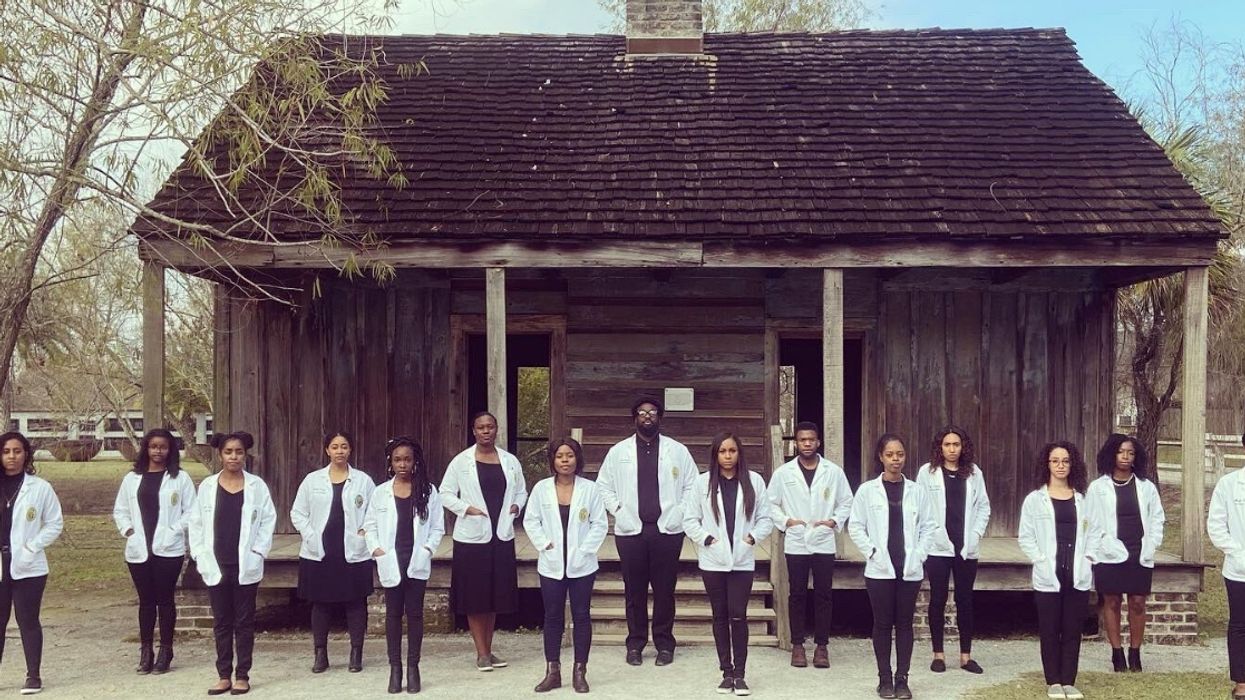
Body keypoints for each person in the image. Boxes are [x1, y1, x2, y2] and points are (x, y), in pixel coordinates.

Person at [595, 396, 698, 666]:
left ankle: (665, 644)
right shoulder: (619, 452)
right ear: (634, 418)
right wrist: (618, 510)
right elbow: (603, 485)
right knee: (634, 590)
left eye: (652, 412)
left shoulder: (677, 450)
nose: (647, 416)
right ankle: (635, 644)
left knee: (665, 590)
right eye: (642, 413)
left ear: (660, 417)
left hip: (667, 531)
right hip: (631, 532)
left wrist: (680, 511)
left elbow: (692, 485)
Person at [683, 432, 772, 696]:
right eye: (722, 451)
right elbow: (690, 520)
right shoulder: (703, 484)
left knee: (738, 615)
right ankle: (726, 672)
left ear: (739, 453)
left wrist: (751, 538)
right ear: (715, 454)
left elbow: (765, 518)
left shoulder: (754, 481)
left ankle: (741, 675)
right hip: (713, 560)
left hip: (742, 560)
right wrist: (708, 539)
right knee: (719, 615)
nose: (728, 456)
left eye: (732, 451)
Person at [188, 431, 277, 696]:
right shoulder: (207, 486)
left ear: (245, 454)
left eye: (238, 452)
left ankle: (243, 675)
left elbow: (267, 520)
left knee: (244, 621)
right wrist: (200, 554)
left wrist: (258, 552)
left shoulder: (256, 486)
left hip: (245, 564)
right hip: (216, 563)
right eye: (229, 452)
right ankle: (223, 675)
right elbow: (195, 523)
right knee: (222, 622)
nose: (234, 457)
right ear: (220, 455)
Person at [848, 433, 935, 700]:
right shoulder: (867, 490)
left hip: (908, 568)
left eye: (900, 454)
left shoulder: (917, 491)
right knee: (883, 624)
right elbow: (855, 526)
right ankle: (884, 678)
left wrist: (919, 554)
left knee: (905, 624)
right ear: (881, 457)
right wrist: (872, 551)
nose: (895, 460)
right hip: (880, 569)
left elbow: (929, 526)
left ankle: (903, 679)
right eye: (890, 455)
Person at [439, 412, 528, 672]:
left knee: (494, 595)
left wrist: (515, 506)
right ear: (474, 431)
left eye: (490, 427)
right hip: (472, 539)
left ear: (496, 430)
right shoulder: (461, 462)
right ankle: (481, 653)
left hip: (500, 536)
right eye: (481, 427)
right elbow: (444, 493)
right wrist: (467, 509)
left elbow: (522, 490)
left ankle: (489, 650)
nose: (486, 431)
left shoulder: (510, 461)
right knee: (475, 596)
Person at [524, 438, 607, 694]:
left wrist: (584, 550)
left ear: (577, 459)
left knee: (581, 616)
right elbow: (531, 520)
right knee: (552, 617)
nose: (564, 460)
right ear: (552, 460)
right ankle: (553, 671)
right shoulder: (541, 489)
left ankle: (580, 671)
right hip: (551, 563)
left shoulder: (590, 489)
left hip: (582, 564)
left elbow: (599, 523)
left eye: (569, 455)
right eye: (559, 456)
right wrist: (545, 545)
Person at [112, 428, 197, 675]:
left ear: (170, 450)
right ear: (146, 448)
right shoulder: (132, 478)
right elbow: (120, 510)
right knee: (146, 602)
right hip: (139, 549)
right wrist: (128, 530)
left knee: (165, 600)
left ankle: (166, 650)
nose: (158, 451)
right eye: (153, 446)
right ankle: (145, 650)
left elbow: (192, 511)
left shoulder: (179, 478)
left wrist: (174, 530)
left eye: (163, 447)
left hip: (168, 549)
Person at [291, 431, 377, 673]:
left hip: (352, 550)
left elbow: (374, 513)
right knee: (321, 603)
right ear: (327, 450)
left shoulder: (363, 481)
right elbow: (297, 512)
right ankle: (320, 654)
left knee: (356, 602)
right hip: (320, 550)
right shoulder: (312, 480)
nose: (340, 451)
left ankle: (356, 653)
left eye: (344, 446)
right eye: (335, 446)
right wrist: (309, 535)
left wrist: (363, 535)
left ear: (350, 450)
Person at [768, 421, 853, 669]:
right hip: (796, 540)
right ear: (796, 442)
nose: (807, 443)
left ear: (818, 442)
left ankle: (822, 647)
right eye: (802, 439)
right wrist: (786, 521)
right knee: (797, 594)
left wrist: (834, 521)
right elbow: (770, 504)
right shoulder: (784, 473)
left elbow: (846, 501)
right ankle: (797, 645)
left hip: (823, 540)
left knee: (824, 594)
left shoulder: (833, 471)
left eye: (811, 439)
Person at [364, 437, 445, 694]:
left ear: (415, 461)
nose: (402, 464)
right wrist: (377, 550)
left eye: (407, 459)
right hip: (391, 560)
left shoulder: (428, 491)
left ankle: (413, 667)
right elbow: (370, 525)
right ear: (390, 462)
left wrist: (427, 549)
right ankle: (395, 668)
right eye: (397, 459)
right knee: (392, 615)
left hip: (416, 560)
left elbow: (437, 527)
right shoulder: (380, 492)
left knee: (416, 614)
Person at [1018, 441, 1092, 700]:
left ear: (1073, 465)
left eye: (1065, 461)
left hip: (1077, 571)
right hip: (1048, 573)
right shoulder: (1035, 500)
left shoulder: (1084, 500)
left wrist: (1090, 557)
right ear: (1046, 464)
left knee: (1072, 628)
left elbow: (1095, 533)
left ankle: (1069, 681)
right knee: (1050, 628)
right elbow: (1025, 537)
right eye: (1055, 461)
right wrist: (1039, 558)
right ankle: (1053, 681)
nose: (1061, 466)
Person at [1085, 434, 1164, 672]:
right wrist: (1094, 549)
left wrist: (1153, 542)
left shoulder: (1146, 486)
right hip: (1109, 550)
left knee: (1138, 602)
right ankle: (1117, 653)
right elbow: (1089, 520)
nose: (1126, 457)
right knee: (1112, 600)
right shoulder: (1098, 488)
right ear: (1112, 454)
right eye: (1121, 452)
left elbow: (1158, 517)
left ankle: (1136, 653)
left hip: (1138, 549)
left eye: (1130, 452)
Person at [915, 425, 990, 674]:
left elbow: (983, 507)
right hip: (938, 547)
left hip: (966, 547)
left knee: (965, 599)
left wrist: (976, 534)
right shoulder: (927, 473)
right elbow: (920, 508)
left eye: (956, 445)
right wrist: (933, 536)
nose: (951, 449)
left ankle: (966, 657)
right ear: (940, 447)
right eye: (947, 445)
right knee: (937, 599)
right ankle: (938, 655)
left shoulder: (974, 473)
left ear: (963, 447)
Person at [0, 431, 64, 695]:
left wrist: (31, 546)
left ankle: (33, 676)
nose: (11, 457)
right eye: (6, 451)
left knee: (28, 620)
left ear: (26, 454)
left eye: (17, 451)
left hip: (29, 565)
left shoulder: (40, 488)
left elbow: (55, 523)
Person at [1208, 430, 1245, 700]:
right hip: (1239, 568)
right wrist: (1237, 553)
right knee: (1240, 624)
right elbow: (1216, 526)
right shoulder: (1229, 484)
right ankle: (1242, 682)